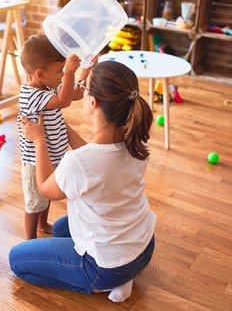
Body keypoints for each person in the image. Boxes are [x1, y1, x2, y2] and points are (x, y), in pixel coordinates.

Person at [10, 60, 156, 303]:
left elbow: (46, 187)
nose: (81, 90)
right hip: (143, 247)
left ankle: (103, 282)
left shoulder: (78, 162)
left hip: (107, 266)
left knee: (18, 260)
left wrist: (39, 141)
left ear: (92, 102)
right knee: (59, 229)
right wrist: (61, 126)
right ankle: (123, 273)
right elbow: (98, 160)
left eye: (85, 88)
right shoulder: (135, 142)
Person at [17, 34, 91, 240]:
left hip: (53, 157)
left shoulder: (47, 86)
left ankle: (42, 224)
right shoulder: (31, 96)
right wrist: (68, 72)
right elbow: (64, 100)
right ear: (40, 74)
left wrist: (86, 68)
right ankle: (30, 239)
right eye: (58, 71)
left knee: (47, 194)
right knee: (34, 203)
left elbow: (74, 93)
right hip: (35, 163)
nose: (61, 75)